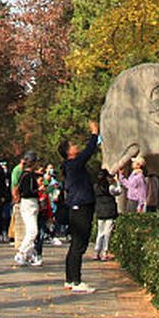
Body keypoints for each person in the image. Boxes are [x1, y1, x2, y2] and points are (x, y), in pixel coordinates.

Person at [56, 119, 101, 293]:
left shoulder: (71, 166)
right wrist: (94, 133)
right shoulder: (74, 164)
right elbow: (89, 151)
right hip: (81, 206)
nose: (76, 147)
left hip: (78, 206)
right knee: (79, 245)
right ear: (69, 152)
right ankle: (76, 280)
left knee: (75, 244)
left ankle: (70, 279)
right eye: (73, 145)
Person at [13, 152, 44, 266]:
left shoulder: (27, 175)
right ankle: (21, 252)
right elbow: (26, 192)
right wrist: (39, 190)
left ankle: (30, 254)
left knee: (31, 230)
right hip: (28, 203)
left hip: (31, 204)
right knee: (33, 231)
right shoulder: (27, 176)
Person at [92, 167, 119, 260]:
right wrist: (116, 181)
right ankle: (104, 252)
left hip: (100, 211)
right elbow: (119, 191)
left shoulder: (95, 187)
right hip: (109, 211)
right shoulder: (110, 187)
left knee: (100, 232)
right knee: (107, 233)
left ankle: (96, 252)